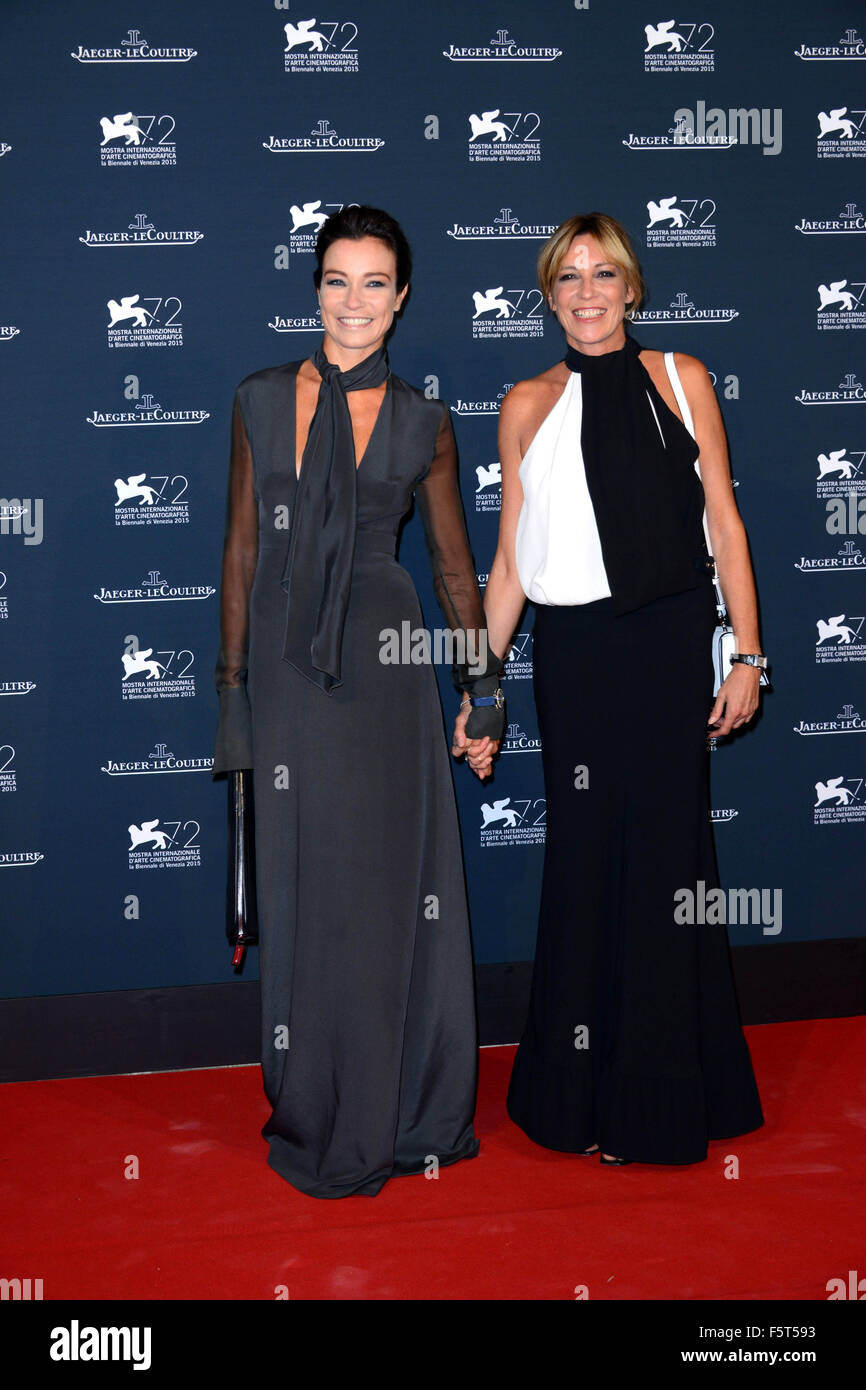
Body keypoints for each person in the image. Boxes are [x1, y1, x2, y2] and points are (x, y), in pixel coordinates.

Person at [212, 205, 504, 1198]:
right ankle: (316, 1097)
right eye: (336, 280)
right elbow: (242, 556)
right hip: (290, 674)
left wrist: (483, 692)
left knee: (386, 890)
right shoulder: (258, 399)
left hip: (385, 669)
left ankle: (405, 1104)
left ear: (402, 296)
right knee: (306, 887)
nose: (353, 302)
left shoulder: (426, 419)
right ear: (314, 289)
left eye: (374, 283)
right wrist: (232, 697)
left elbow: (459, 576)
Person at [482, 212, 765, 1165]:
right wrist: (483, 690)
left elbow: (724, 523)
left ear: (633, 287)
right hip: (576, 657)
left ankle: (664, 1099)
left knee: (668, 869)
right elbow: (513, 564)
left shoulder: (684, 381)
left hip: (668, 645)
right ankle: (579, 1099)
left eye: (605, 274)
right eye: (569, 277)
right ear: (549, 294)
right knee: (585, 862)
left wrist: (747, 655)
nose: (588, 292)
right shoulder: (524, 403)